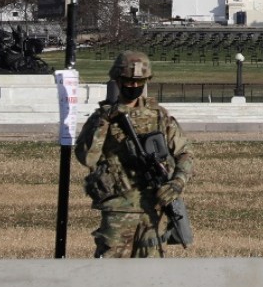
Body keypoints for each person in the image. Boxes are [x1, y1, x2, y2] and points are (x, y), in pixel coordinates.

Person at [75, 51, 194, 258]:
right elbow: (87, 157)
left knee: (151, 276)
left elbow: (185, 153)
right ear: (118, 80)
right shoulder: (103, 117)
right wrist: (104, 121)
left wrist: (177, 183)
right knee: (110, 275)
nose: (132, 86)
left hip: (152, 209)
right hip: (118, 208)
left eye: (138, 81)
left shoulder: (159, 116)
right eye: (128, 81)